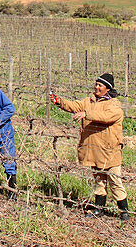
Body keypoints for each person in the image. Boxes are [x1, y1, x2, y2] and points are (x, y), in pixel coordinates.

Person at [50, 72, 130, 220]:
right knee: (99, 180)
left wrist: (86, 114)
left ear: (108, 89)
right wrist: (59, 101)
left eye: (100, 85)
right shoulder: (89, 100)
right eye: (96, 84)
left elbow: (106, 117)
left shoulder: (114, 105)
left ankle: (124, 211)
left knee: (115, 180)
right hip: (94, 149)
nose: (96, 87)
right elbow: (74, 106)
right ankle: (99, 208)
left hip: (109, 150)